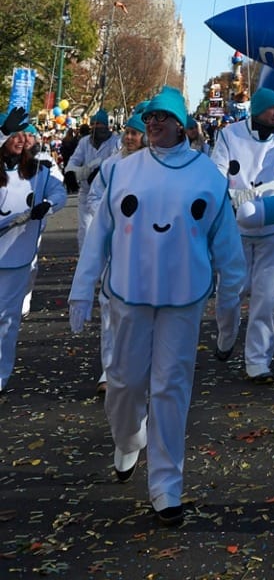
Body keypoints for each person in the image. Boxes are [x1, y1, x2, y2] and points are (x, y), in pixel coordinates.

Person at [69, 86, 245, 523]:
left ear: (182, 124)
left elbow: (228, 250)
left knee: (171, 389)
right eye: (149, 118)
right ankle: (128, 438)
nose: (154, 125)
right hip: (129, 293)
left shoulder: (207, 175)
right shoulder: (119, 172)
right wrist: (81, 287)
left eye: (163, 118)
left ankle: (167, 486)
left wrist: (229, 311)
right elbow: (99, 238)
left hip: (183, 299)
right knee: (125, 384)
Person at [212, 86, 274, 380]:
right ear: (257, 110)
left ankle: (258, 361)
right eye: (271, 107)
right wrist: (232, 194)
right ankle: (226, 335)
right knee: (230, 293)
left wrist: (266, 194)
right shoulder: (229, 135)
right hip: (235, 229)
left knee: (265, 299)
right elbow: (216, 172)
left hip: (271, 226)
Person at [0, 119, 67, 392]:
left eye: (23, 135)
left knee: (7, 317)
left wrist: (48, 205)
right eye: (11, 134)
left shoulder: (39, 172)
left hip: (17, 257)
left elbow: (59, 192)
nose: (19, 139)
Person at [87, 111, 148, 391]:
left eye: (135, 133)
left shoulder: (154, 166)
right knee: (109, 307)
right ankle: (108, 371)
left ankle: (137, 368)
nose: (130, 137)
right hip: (115, 248)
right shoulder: (110, 165)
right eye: (128, 133)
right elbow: (95, 198)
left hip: (147, 252)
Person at [67, 110, 121, 251]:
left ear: (107, 125)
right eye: (94, 124)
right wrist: (70, 172)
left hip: (107, 195)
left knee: (105, 232)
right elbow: (74, 160)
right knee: (85, 230)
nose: (97, 127)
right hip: (85, 192)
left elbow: (116, 162)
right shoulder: (85, 142)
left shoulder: (116, 142)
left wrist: (100, 172)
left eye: (100, 123)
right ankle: (84, 265)